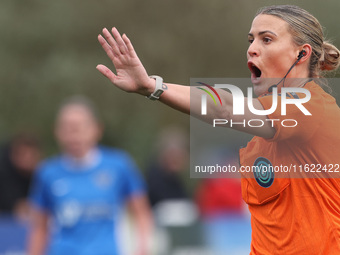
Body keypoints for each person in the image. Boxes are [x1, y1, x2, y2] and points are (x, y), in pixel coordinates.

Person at [96, 4, 340, 254]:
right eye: (251, 40)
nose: (252, 49)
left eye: (267, 39)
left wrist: (152, 86)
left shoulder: (309, 106)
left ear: (302, 54)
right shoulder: (265, 134)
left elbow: (224, 107)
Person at [28, 97, 152, 255]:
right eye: (67, 127)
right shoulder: (47, 172)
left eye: (79, 127)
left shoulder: (119, 165)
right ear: (56, 131)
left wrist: (143, 248)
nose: (74, 134)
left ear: (97, 129)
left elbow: (141, 212)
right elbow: (39, 227)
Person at [0, 134, 41, 219]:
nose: (27, 159)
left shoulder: (42, 175)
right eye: (23, 155)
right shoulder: (4, 176)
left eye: (31, 155)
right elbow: (19, 208)